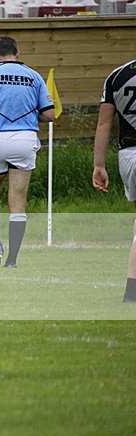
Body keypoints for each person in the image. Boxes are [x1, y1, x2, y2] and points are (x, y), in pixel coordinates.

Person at [0, 35, 56, 268]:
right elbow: (50, 115)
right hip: (25, 140)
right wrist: (27, 115)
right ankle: (12, 260)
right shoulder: (34, 76)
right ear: (18, 53)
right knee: (18, 203)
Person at [92, 59, 136, 303]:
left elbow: (104, 123)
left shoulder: (117, 76)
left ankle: (132, 290)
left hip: (128, 156)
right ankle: (131, 290)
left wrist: (99, 165)